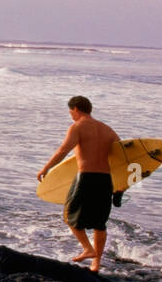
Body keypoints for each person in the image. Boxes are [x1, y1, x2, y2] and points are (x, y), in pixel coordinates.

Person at [36, 95, 119, 272]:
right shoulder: (107, 129)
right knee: (99, 223)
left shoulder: (77, 127)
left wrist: (46, 168)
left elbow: (63, 150)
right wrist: (122, 186)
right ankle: (96, 263)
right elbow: (122, 157)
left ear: (75, 109)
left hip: (86, 177)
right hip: (105, 179)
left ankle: (88, 249)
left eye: (70, 112)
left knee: (69, 215)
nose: (71, 115)